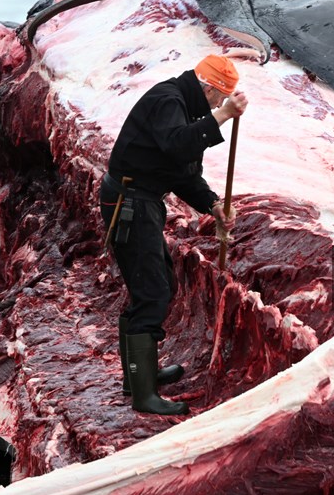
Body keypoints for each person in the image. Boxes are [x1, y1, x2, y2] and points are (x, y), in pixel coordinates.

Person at [100, 55, 247, 415]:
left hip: (143, 200)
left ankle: (138, 375)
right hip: (129, 201)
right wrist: (223, 116)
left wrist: (212, 204)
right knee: (151, 291)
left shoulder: (182, 106)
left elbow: (181, 170)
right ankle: (143, 395)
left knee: (157, 281)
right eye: (216, 99)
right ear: (209, 88)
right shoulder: (169, 101)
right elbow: (177, 145)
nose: (215, 105)